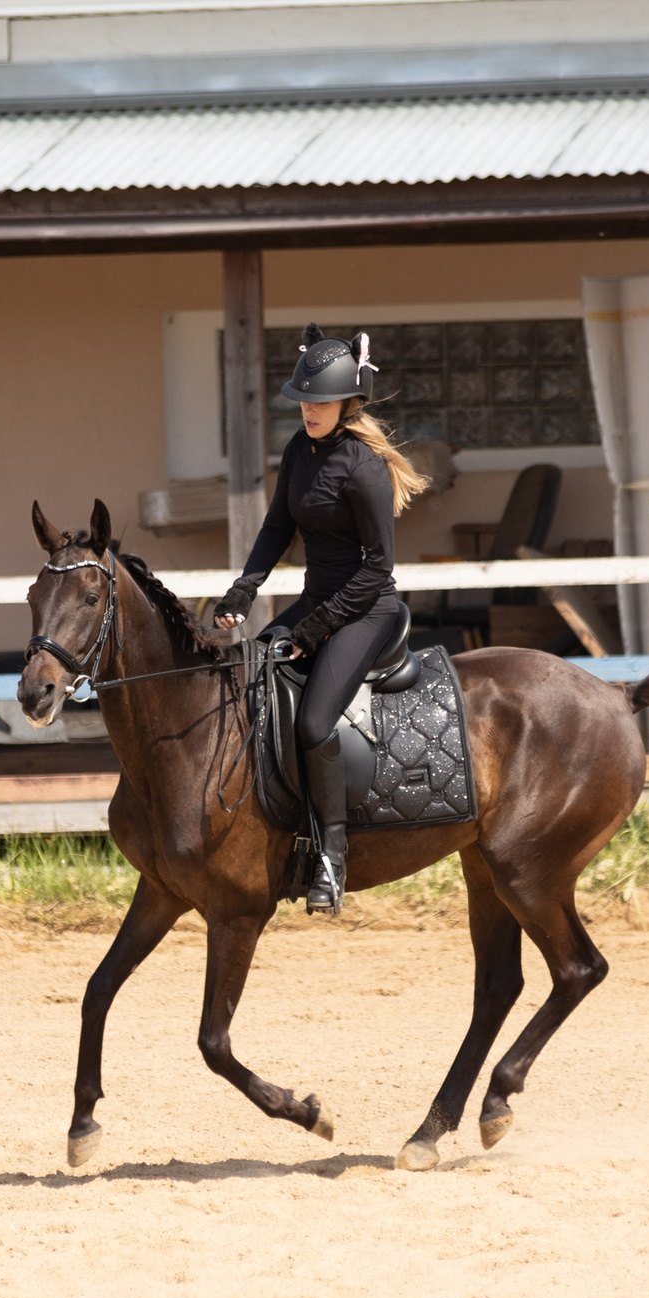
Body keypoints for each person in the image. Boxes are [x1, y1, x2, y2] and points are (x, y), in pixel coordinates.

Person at [213, 324, 430, 916]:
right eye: (304, 402)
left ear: (348, 403)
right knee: (249, 678)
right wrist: (244, 588)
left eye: (322, 402)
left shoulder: (364, 469)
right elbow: (277, 527)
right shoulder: (298, 451)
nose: (310, 411)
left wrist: (315, 628)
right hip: (318, 601)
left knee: (313, 723)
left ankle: (332, 855)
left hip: (367, 609)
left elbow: (377, 569)